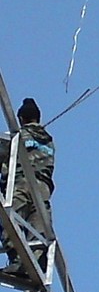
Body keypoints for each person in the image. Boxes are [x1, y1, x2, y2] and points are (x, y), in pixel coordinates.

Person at [0, 98, 55, 277]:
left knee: (10, 220)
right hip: (42, 189)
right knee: (39, 228)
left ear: (21, 118)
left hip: (20, 184)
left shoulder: (16, 137)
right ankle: (36, 266)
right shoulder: (49, 142)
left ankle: (18, 262)